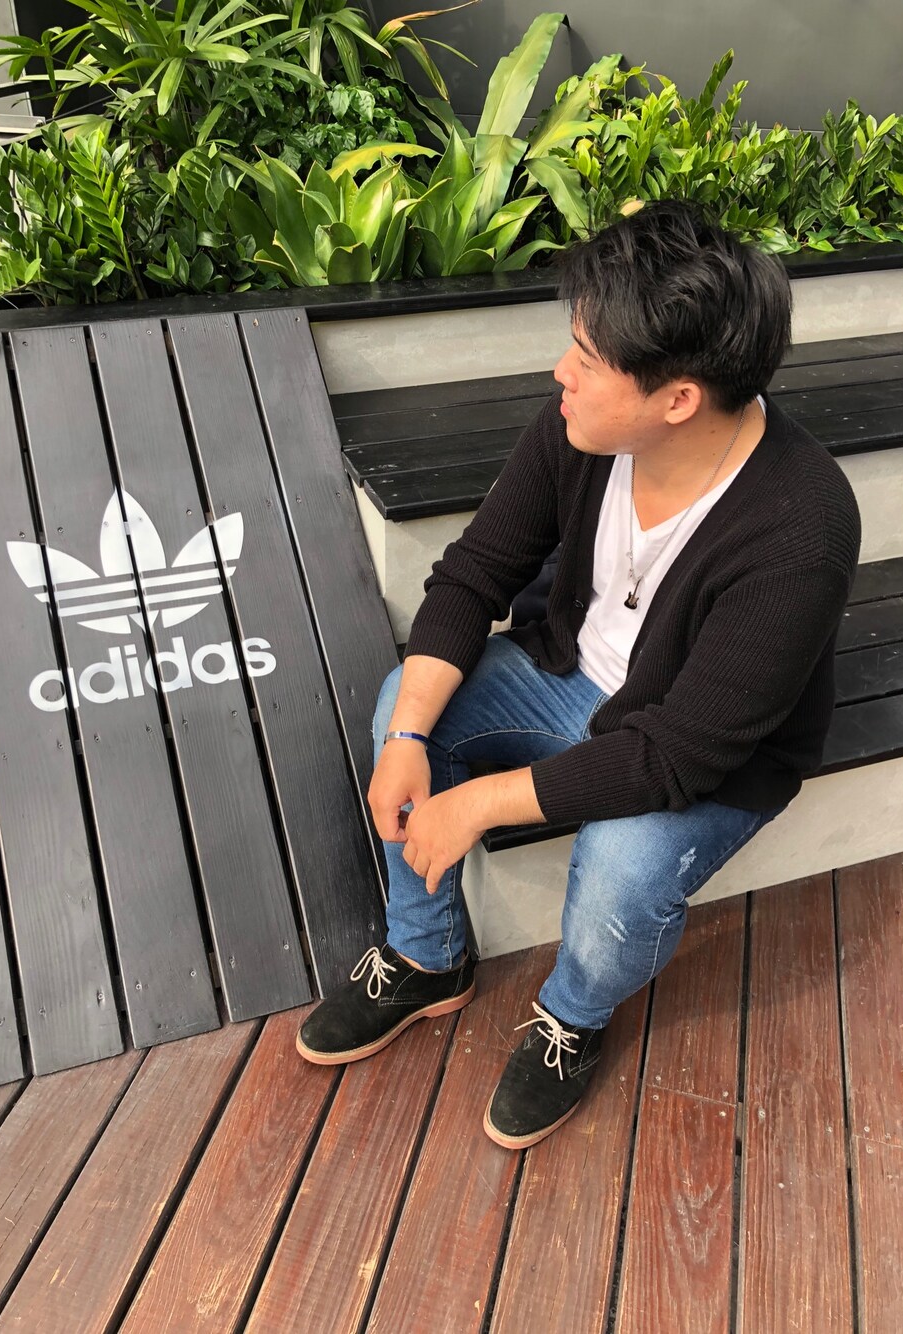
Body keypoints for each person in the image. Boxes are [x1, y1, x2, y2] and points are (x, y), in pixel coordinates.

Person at [295, 199, 861, 1150]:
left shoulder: (801, 526)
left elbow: (673, 757)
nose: (562, 370)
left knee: (620, 875)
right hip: (565, 673)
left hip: (699, 749)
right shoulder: (583, 429)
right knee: (409, 703)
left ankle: (573, 1017)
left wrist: (476, 805)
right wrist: (405, 738)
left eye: (588, 358)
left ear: (677, 398)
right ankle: (427, 957)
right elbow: (475, 573)